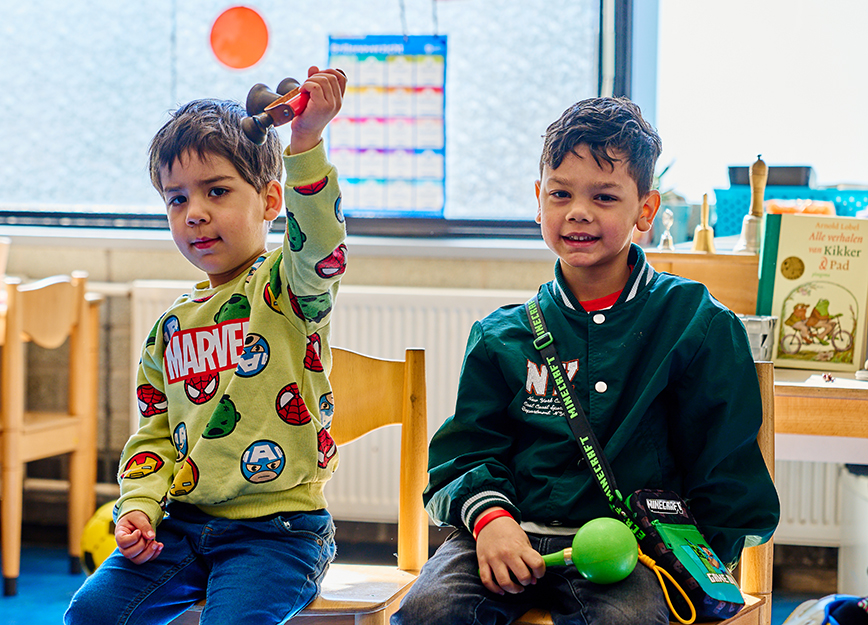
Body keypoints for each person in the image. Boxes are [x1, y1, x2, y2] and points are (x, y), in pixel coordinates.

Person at [392, 97, 779, 625]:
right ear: (539, 200)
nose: (578, 211)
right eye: (561, 193)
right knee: (428, 612)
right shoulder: (500, 335)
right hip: (509, 532)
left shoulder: (697, 324)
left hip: (634, 552)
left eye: (603, 196)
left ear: (645, 210)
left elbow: (726, 473)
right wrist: (491, 522)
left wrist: (697, 566)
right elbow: (465, 454)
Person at [65, 66, 348, 625]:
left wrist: (307, 141)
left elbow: (319, 245)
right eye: (176, 199)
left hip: (280, 532)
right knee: (89, 615)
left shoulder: (289, 287)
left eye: (216, 191)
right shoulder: (169, 328)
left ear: (270, 201)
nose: (194, 212)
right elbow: (153, 436)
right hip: (183, 524)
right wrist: (141, 506)